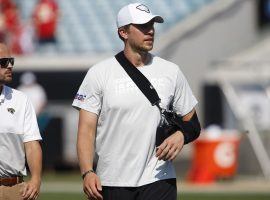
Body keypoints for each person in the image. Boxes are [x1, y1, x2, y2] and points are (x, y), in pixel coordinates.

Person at [72, 3, 201, 200]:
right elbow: (86, 130)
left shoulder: (171, 71)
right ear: (123, 32)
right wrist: (87, 172)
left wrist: (181, 135)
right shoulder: (99, 73)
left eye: (152, 25)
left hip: (159, 179)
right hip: (112, 181)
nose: (150, 31)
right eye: (142, 26)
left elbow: (193, 123)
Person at [0, 43, 42, 200]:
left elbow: (32, 144)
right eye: (4, 62)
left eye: (11, 61)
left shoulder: (21, 100)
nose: (10, 66)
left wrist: (36, 179)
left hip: (15, 189)